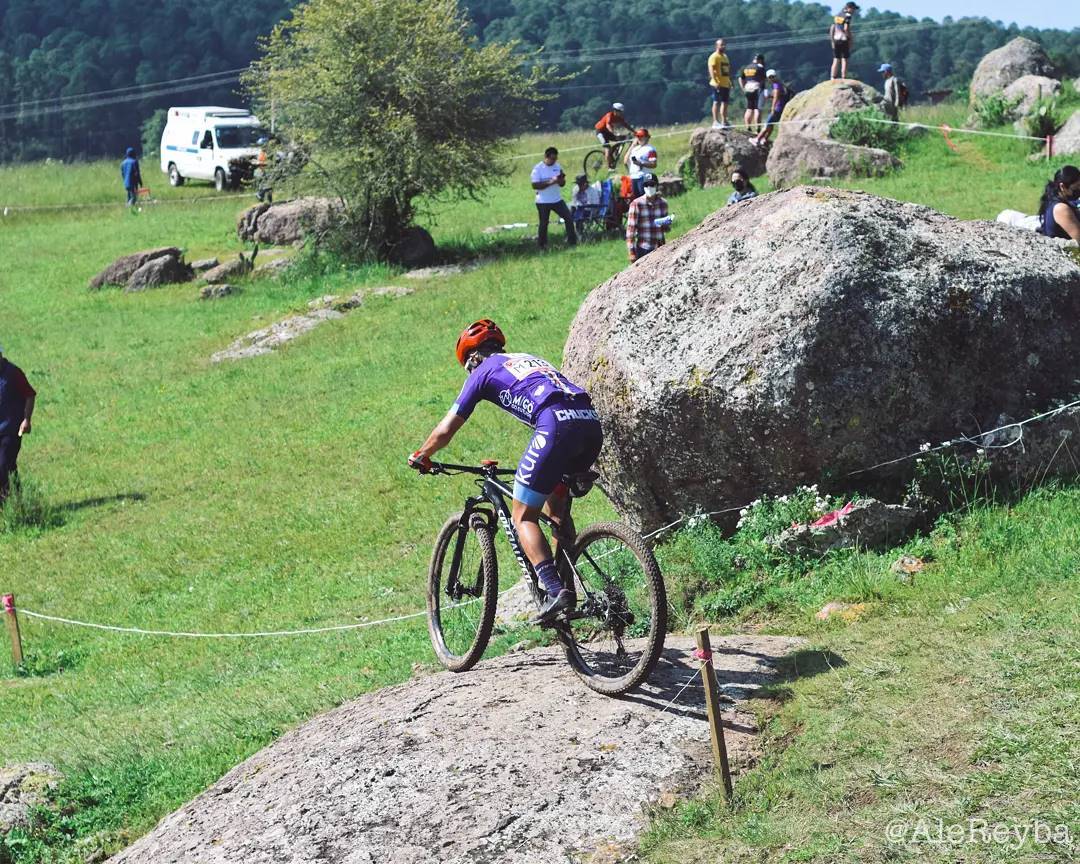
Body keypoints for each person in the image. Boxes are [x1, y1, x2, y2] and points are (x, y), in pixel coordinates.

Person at [408, 320, 603, 623]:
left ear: (473, 357)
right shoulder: (528, 359)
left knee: (523, 515)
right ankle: (569, 594)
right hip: (589, 424)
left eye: (468, 367)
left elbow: (447, 429)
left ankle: (555, 591)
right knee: (556, 515)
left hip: (556, 426)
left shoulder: (483, 370)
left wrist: (422, 455)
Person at [0, 344, 36, 505]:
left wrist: (26, 419)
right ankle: (18, 502)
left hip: (12, 429)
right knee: (9, 467)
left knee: (3, 463)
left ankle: (7, 503)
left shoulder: (14, 373)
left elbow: (30, 394)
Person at [530, 147, 576, 250]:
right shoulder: (537, 169)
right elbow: (535, 185)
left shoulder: (557, 166)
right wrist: (551, 182)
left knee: (568, 218)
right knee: (544, 223)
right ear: (546, 157)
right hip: (543, 201)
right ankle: (542, 245)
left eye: (555, 159)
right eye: (552, 159)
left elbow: (562, 183)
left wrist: (560, 181)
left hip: (557, 200)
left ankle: (572, 242)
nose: (554, 161)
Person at [625, 174, 673, 263]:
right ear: (643, 187)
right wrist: (631, 253)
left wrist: (667, 223)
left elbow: (665, 228)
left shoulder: (663, 204)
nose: (649, 187)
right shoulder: (636, 204)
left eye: (652, 185)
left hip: (661, 247)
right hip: (644, 248)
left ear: (656, 186)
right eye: (646, 185)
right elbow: (630, 231)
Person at [1038, 165, 1080, 242]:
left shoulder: (1054, 197)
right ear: (1062, 186)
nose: (1078, 190)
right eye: (1076, 187)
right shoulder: (1061, 209)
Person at [753, 70, 789, 147]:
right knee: (771, 125)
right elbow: (779, 96)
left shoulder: (776, 85)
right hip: (781, 108)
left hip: (777, 108)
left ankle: (757, 139)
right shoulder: (780, 84)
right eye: (770, 77)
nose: (771, 78)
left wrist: (773, 107)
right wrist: (770, 96)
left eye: (772, 77)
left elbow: (776, 97)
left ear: (775, 76)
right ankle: (764, 139)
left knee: (767, 124)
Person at [594, 102, 634, 169]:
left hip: (608, 132)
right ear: (615, 111)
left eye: (621, 112)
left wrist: (634, 132)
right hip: (600, 132)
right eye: (620, 112)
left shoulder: (619, 117)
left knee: (622, 138)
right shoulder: (609, 115)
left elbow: (625, 125)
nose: (621, 113)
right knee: (608, 149)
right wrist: (614, 133)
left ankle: (614, 151)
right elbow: (608, 125)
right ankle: (610, 168)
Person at [624, 128, 658, 199]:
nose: (639, 139)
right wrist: (632, 145)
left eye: (641, 137)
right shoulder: (635, 149)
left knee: (645, 198)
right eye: (637, 137)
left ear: (646, 137)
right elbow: (625, 160)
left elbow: (654, 164)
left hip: (644, 176)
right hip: (634, 177)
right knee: (637, 199)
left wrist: (641, 164)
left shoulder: (650, 149)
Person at [829, 3, 858, 81]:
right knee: (844, 59)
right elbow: (846, 28)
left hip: (836, 39)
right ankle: (844, 77)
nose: (854, 11)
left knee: (836, 58)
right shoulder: (848, 16)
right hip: (843, 39)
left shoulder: (838, 15)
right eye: (853, 9)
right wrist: (850, 38)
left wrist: (832, 40)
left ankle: (833, 77)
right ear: (849, 8)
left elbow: (833, 27)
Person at [740, 54, 767, 134]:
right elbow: (764, 79)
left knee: (749, 108)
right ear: (761, 60)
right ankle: (758, 128)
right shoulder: (760, 67)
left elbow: (740, 78)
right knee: (757, 109)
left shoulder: (747, 67)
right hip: (757, 88)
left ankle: (748, 127)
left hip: (748, 88)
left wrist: (743, 88)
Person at [708, 39, 732, 129]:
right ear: (716, 46)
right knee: (716, 102)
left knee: (725, 103)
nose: (723, 46)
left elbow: (727, 70)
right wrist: (714, 80)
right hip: (717, 83)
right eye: (721, 45)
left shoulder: (725, 57)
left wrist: (729, 81)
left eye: (724, 45)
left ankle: (724, 121)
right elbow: (711, 68)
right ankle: (715, 121)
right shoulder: (714, 56)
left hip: (725, 83)